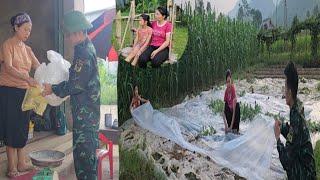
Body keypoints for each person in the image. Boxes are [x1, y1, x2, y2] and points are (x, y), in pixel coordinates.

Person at [42, 11, 101, 180]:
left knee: (84, 160)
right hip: (87, 112)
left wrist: (52, 88)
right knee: (86, 158)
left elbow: (75, 84)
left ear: (77, 32)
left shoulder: (83, 54)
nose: (67, 39)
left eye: (68, 35)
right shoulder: (85, 48)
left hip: (85, 115)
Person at [0, 12, 40, 178]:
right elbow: (8, 68)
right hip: (9, 91)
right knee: (11, 127)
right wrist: (27, 78)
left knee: (23, 127)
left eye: (29, 30)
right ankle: (11, 167)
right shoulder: (7, 45)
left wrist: (52, 73)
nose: (27, 33)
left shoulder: (28, 49)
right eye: (25, 29)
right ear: (16, 27)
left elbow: (39, 67)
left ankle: (22, 163)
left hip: (25, 92)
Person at [274, 61, 316, 179]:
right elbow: (295, 136)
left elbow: (286, 160)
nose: (283, 92)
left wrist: (277, 139)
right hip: (307, 169)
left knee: (290, 164)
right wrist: (282, 128)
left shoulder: (296, 116)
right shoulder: (297, 106)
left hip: (305, 174)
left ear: (290, 92)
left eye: (285, 88)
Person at [222, 69, 240, 134]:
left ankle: (235, 128)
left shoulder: (233, 90)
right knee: (226, 105)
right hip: (229, 116)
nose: (228, 83)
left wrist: (231, 127)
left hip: (234, 117)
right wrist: (226, 126)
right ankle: (230, 127)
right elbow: (223, 112)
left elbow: (234, 112)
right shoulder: (226, 91)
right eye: (227, 82)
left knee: (237, 105)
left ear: (231, 81)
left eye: (229, 81)